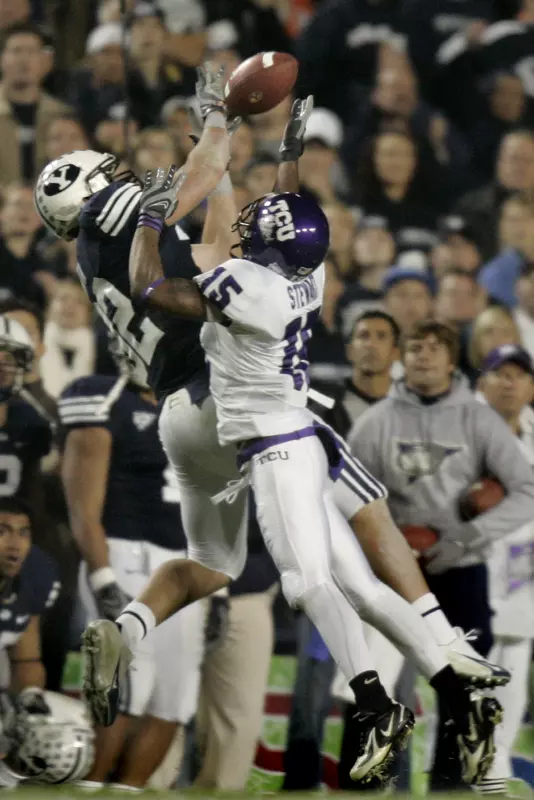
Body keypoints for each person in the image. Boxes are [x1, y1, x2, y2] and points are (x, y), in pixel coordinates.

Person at [36, 84, 504, 785]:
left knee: (222, 562)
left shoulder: (95, 254)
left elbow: (202, 250)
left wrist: (230, 151)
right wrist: (225, 132)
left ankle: (130, 625)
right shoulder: (280, 277)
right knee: (356, 546)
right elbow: (223, 226)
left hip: (181, 413)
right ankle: (444, 664)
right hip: (250, 415)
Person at [348, 319, 534, 790]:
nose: (423, 356)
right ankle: (364, 784)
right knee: (371, 682)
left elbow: (527, 489)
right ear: (401, 358)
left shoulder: (477, 418)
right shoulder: (375, 422)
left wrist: (466, 537)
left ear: (452, 361)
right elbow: (344, 497)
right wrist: (382, 542)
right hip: (392, 572)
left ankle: (449, 785)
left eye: (434, 348)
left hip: (459, 569)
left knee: (463, 685)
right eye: (414, 347)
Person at [59, 359, 204, 791]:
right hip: (124, 552)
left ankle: (128, 788)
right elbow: (81, 507)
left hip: (187, 563)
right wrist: (103, 578)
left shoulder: (204, 403)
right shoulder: (104, 397)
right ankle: (93, 783)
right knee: (123, 688)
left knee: (175, 696)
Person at [477, 344, 534, 795]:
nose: (511, 382)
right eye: (501, 373)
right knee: (465, 674)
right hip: (471, 564)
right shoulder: (460, 428)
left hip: (523, 568)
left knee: (514, 665)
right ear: (483, 383)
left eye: (519, 375)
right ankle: (455, 769)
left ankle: (495, 767)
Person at [0, 496, 63, 788]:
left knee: (61, 721)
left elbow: (26, 659)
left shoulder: (37, 573)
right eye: (2, 531)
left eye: (22, 533)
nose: (14, 543)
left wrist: (30, 703)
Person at [0, 21, 70, 184]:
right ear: (2, 59)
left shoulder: (62, 115)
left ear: (46, 61)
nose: (23, 59)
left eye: (31, 52)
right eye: (16, 51)